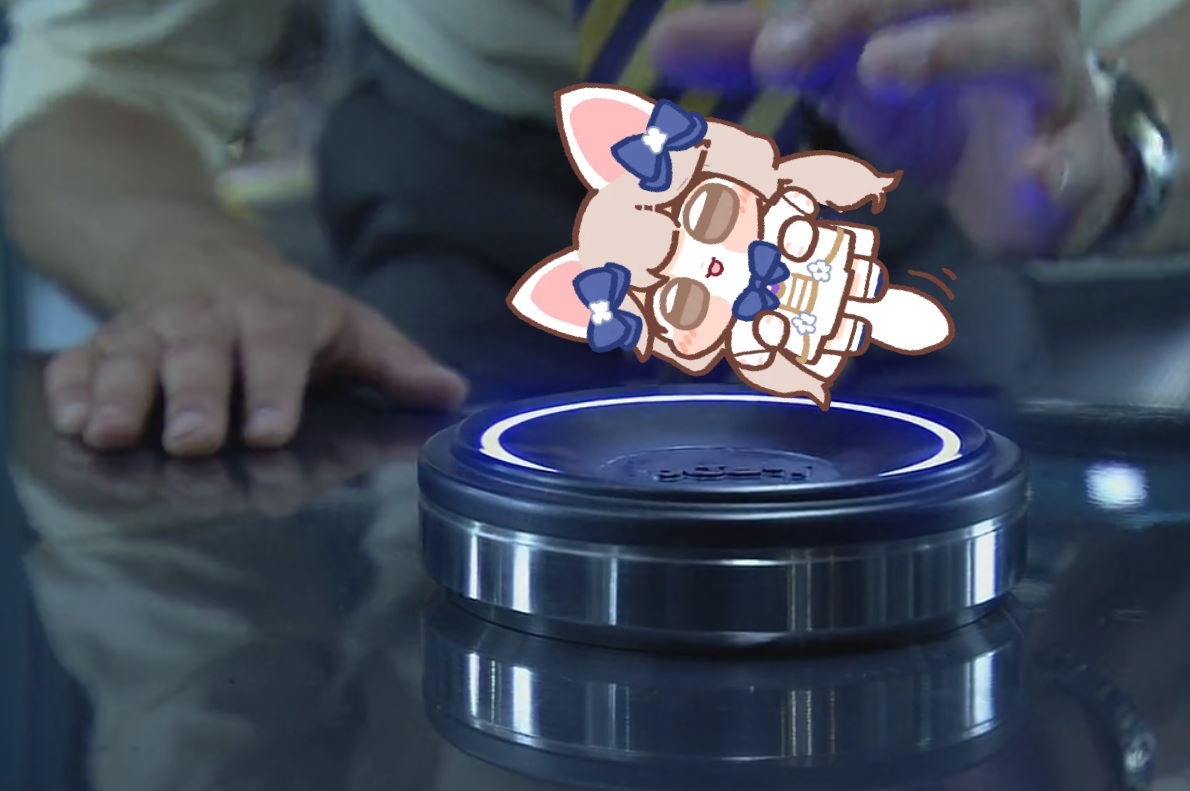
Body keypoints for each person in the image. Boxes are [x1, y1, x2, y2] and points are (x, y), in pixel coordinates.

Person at [1, 0, 1186, 458]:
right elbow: (104, 72)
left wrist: (1112, 152)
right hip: (470, 185)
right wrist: (192, 264)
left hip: (910, 166)